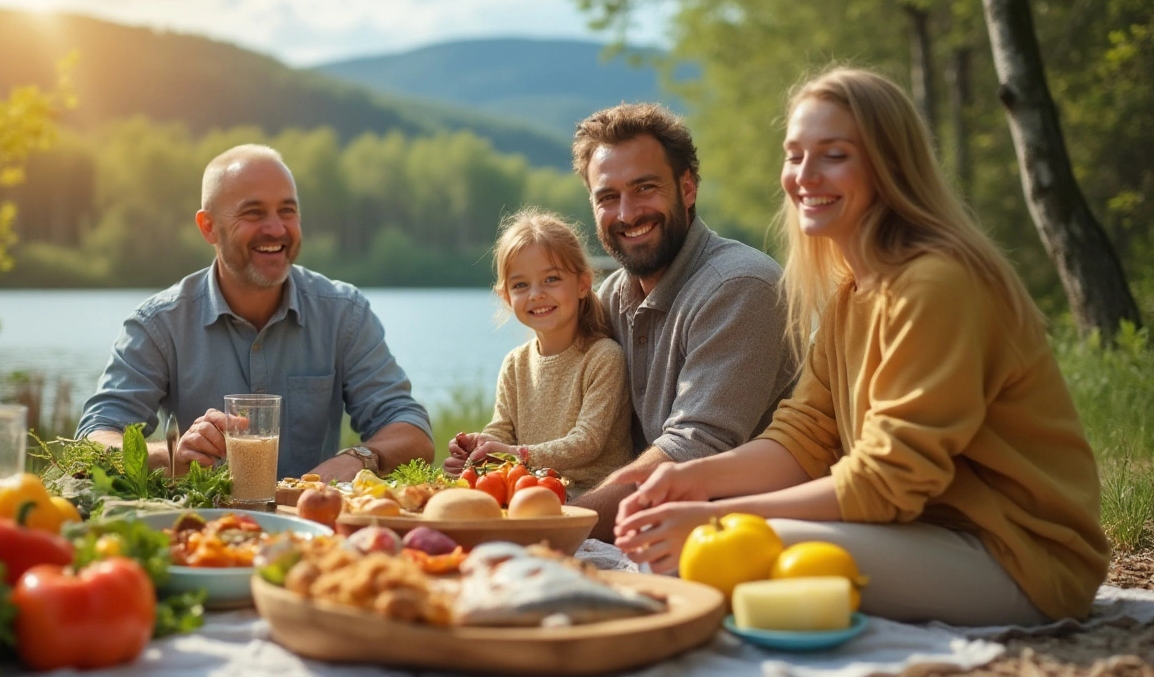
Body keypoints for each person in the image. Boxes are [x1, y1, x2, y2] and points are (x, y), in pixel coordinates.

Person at [611, 67, 1110, 625]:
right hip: (919, 534)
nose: (805, 175)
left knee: (717, 553)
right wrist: (691, 480)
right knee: (705, 556)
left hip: (1020, 558)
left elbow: (889, 480)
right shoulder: (852, 292)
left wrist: (715, 516)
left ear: (890, 164)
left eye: (834, 155)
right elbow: (804, 439)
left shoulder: (936, 284)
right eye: (795, 155)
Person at [76, 144, 434, 482]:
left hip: (313, 532)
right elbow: (95, 440)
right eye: (254, 212)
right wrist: (170, 455)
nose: (276, 229)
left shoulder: (344, 313)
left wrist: (358, 458)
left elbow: (411, 429)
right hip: (203, 531)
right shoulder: (159, 324)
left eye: (287, 211)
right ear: (208, 227)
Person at [568, 103, 799, 538]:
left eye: (645, 188)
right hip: (657, 531)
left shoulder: (739, 285)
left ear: (687, 188)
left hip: (744, 537)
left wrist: (555, 524)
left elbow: (691, 452)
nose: (627, 213)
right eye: (608, 197)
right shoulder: (611, 295)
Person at [441, 208, 634, 497]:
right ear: (506, 297)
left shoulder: (603, 357)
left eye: (551, 279)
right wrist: (479, 448)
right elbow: (502, 431)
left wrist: (516, 454)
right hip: (531, 492)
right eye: (521, 285)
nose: (536, 294)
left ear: (583, 284)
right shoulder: (515, 364)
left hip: (593, 497)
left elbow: (587, 441)